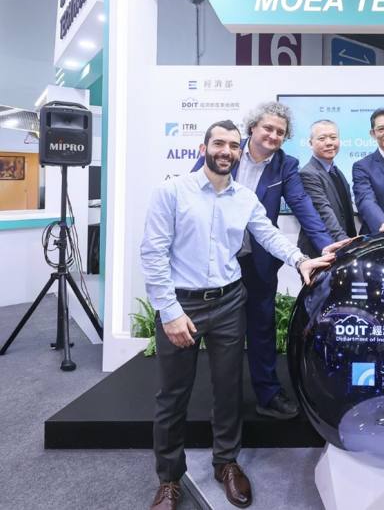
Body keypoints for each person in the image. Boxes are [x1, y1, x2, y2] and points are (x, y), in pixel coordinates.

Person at [142, 120, 334, 510]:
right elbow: (153, 253)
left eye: (232, 145)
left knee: (228, 389)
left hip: (230, 301)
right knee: (173, 395)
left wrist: (301, 260)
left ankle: (226, 463)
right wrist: (170, 311)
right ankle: (169, 479)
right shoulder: (172, 192)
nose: (226, 151)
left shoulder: (244, 197)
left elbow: (268, 233)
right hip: (183, 303)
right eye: (219, 144)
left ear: (238, 150)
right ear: (203, 148)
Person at [191, 102, 341, 421]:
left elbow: (302, 205)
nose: (273, 135)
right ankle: (223, 399)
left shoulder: (286, 165)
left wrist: (327, 247)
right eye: (268, 128)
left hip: (258, 258)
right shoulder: (227, 150)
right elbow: (193, 191)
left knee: (261, 326)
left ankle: (268, 394)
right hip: (217, 257)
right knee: (219, 332)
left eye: (280, 132)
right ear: (252, 128)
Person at [297, 119, 357, 257]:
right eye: (322, 138)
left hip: (342, 247)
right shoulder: (308, 173)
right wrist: (345, 242)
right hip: (320, 250)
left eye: (333, 137)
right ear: (310, 143)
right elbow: (323, 211)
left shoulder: (336, 171)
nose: (329, 143)